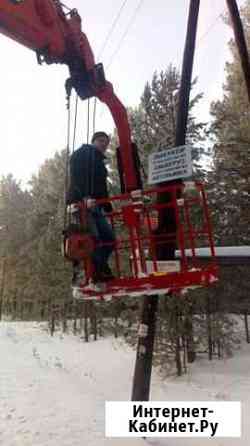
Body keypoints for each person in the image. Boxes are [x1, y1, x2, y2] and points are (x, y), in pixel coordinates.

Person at [67, 131, 115, 283]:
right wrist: (82, 198)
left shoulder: (100, 163)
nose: (103, 145)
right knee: (92, 240)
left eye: (106, 143)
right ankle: (93, 274)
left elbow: (101, 187)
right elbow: (76, 177)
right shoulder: (82, 154)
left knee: (109, 239)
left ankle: (99, 268)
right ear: (93, 141)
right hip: (81, 205)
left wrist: (107, 205)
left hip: (96, 206)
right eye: (101, 141)